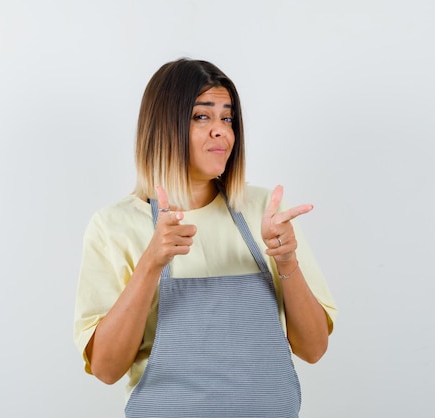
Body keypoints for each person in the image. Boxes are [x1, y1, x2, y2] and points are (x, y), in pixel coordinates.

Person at [73, 58, 336, 417]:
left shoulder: (265, 211)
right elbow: (106, 368)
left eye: (227, 118)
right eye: (202, 116)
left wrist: (286, 260)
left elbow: (314, 349)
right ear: (163, 126)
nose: (221, 131)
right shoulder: (115, 225)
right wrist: (151, 263)